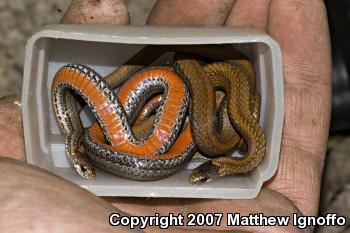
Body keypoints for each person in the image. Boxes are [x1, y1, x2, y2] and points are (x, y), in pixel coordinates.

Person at [0, 0, 331, 232]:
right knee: (204, 101)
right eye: (201, 176)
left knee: (212, 125)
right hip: (171, 95)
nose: (196, 178)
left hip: (176, 97)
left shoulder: (229, 147)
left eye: (200, 178)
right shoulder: (230, 138)